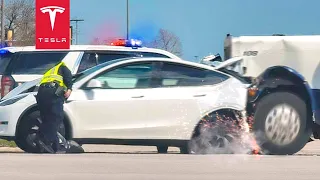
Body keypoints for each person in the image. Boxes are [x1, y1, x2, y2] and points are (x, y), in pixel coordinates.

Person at [35, 61, 73, 153]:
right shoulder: (64, 67)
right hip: (53, 92)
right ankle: (46, 141)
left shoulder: (50, 70)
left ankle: (48, 142)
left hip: (41, 93)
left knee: (47, 118)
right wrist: (69, 89)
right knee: (56, 117)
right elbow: (68, 83)